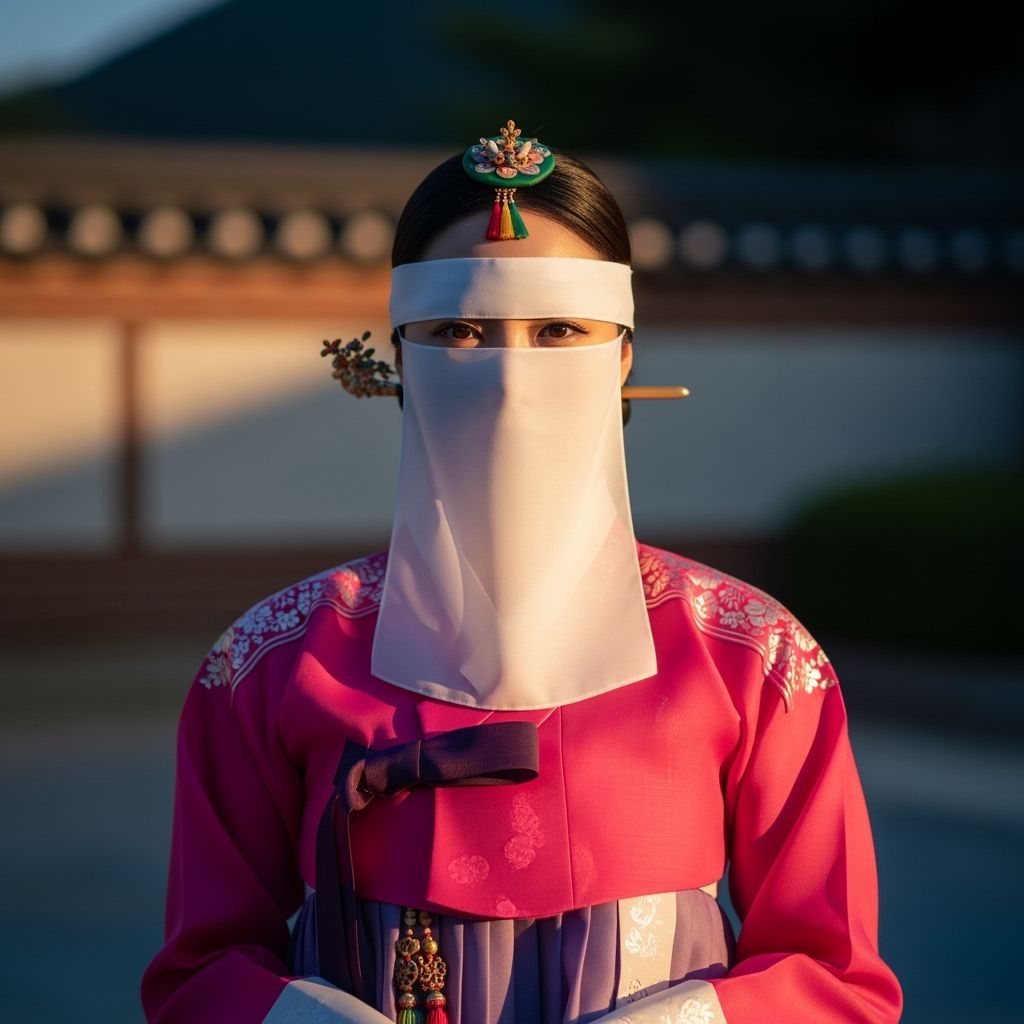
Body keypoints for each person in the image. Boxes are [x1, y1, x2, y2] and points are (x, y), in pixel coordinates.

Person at [141, 121, 903, 1024]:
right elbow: (200, 972)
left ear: (622, 356)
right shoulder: (270, 663)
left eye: (558, 330)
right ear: (396, 363)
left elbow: (837, 977)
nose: (510, 374)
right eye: (460, 330)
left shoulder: (754, 657)